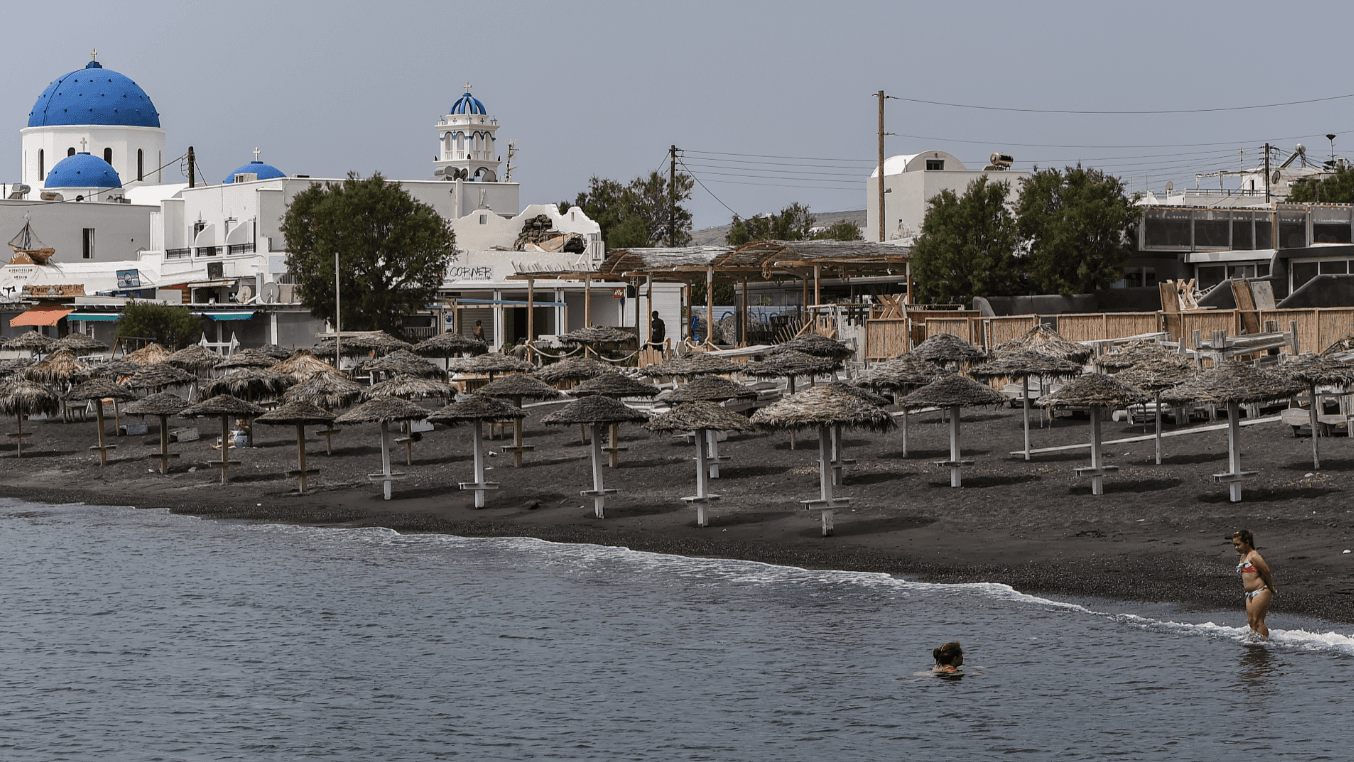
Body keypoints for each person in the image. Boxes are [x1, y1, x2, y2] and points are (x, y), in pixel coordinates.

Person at [1232, 529, 1276, 638]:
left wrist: (1271, 588)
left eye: (1238, 544)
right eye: (1234, 545)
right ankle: (1255, 645)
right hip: (1250, 594)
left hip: (1261, 591)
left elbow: (1266, 572)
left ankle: (1265, 644)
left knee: (1258, 621)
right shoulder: (1243, 557)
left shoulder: (1254, 556)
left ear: (1247, 542)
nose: (1236, 548)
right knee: (1251, 622)